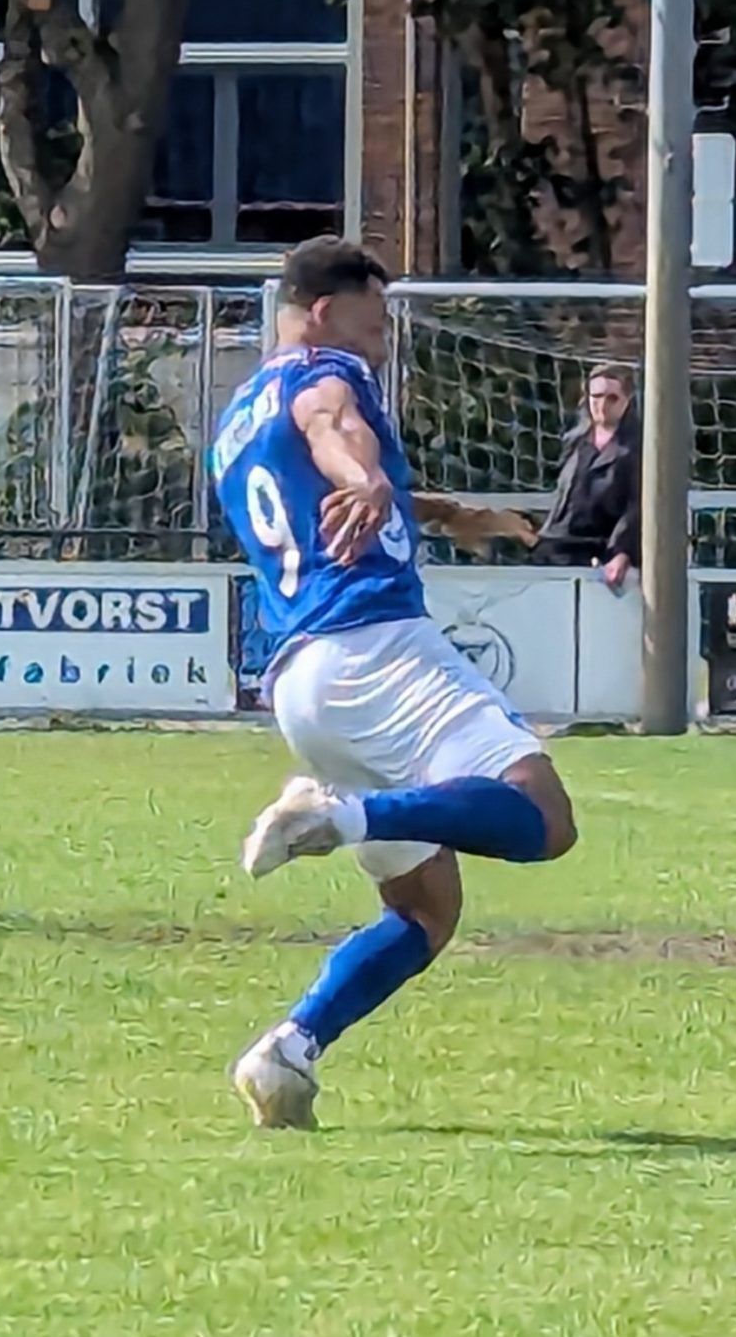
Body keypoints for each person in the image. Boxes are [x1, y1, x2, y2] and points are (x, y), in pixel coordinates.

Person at [210, 235, 577, 1129]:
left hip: (303, 681)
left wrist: (444, 510)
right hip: (377, 649)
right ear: (326, 313)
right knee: (543, 818)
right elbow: (334, 424)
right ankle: (334, 815)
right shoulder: (324, 370)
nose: (380, 345)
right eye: (374, 325)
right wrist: (367, 474)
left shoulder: (233, 421)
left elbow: (314, 470)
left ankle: (288, 1052)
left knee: (425, 907)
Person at [536, 364, 641, 588]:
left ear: (627, 400)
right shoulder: (575, 442)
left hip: (597, 551)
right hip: (556, 546)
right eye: (596, 396)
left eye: (612, 398)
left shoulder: (636, 449)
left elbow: (636, 507)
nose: (602, 405)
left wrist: (622, 553)